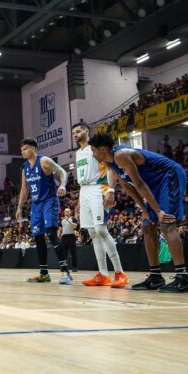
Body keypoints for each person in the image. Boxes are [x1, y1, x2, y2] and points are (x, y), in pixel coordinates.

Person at [89, 133, 188, 293]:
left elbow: (138, 183)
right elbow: (127, 186)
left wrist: (158, 211)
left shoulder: (121, 155)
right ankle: (156, 276)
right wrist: (145, 210)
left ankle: (183, 278)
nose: (93, 154)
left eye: (94, 150)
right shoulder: (109, 162)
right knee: (147, 226)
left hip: (169, 175)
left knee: (167, 224)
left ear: (103, 149)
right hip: (154, 185)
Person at [71, 123, 128, 288]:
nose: (75, 134)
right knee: (93, 233)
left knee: (101, 230)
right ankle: (103, 274)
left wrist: (111, 189)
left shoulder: (95, 147)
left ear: (86, 131)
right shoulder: (78, 153)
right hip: (84, 190)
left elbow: (111, 168)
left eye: (78, 131)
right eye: (73, 133)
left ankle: (120, 272)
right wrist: (79, 201)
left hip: (98, 187)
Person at [15, 139, 70, 284]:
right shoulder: (25, 167)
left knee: (51, 234)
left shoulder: (44, 161)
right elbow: (24, 189)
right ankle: (44, 274)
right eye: (21, 150)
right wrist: (19, 207)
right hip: (36, 205)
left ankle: (65, 272)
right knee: (38, 238)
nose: (23, 152)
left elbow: (62, 172)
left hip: (49, 201)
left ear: (33, 148)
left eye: (25, 149)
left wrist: (62, 185)